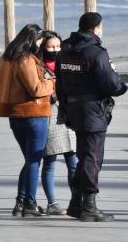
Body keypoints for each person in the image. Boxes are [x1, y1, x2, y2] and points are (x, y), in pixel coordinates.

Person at [55, 12, 128, 222]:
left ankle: (75, 204)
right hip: (94, 112)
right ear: (96, 28)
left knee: (84, 156)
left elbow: (59, 84)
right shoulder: (97, 53)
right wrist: (121, 85)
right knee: (92, 159)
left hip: (74, 110)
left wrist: (66, 108)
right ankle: (89, 206)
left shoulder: (65, 51)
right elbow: (112, 86)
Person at [0, 24, 55, 217]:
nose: (40, 45)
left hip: (15, 114)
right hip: (33, 113)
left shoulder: (8, 58)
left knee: (29, 160)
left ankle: (20, 203)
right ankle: (29, 203)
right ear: (32, 40)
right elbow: (37, 89)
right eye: (40, 41)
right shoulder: (26, 60)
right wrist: (53, 82)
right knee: (33, 161)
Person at [40, 31, 78, 215]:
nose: (55, 50)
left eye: (58, 46)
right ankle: (52, 203)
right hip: (49, 114)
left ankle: (76, 201)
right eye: (50, 46)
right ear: (43, 47)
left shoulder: (67, 63)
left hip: (69, 113)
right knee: (50, 161)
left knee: (73, 160)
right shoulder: (38, 66)